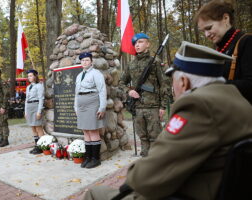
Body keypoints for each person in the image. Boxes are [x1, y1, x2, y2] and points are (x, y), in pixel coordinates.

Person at [83, 41, 252, 200]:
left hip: (181, 192)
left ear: (184, 82)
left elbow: (144, 178)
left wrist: (163, 106)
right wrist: (130, 91)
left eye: (174, 80)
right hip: (207, 185)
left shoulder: (197, 106)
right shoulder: (238, 100)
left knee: (95, 193)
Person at [119, 33, 170, 157]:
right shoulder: (131, 64)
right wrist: (129, 91)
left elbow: (164, 84)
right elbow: (121, 82)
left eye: (141, 42)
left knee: (155, 138)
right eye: (135, 43)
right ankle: (145, 161)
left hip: (153, 107)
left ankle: (157, 162)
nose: (137, 45)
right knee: (142, 136)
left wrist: (163, 106)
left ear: (148, 44)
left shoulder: (155, 62)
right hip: (137, 107)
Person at [195, 0, 252, 104]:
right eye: (203, 31)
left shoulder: (247, 41)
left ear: (226, 18)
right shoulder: (220, 49)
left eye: (209, 28)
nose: (206, 35)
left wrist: (215, 84)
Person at [74, 52, 107, 168]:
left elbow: (102, 90)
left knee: (93, 131)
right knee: (85, 131)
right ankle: (88, 157)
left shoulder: (96, 73)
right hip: (81, 105)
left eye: (87, 60)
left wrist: (102, 107)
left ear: (91, 62)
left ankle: (95, 158)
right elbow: (76, 93)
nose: (84, 62)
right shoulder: (79, 76)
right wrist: (76, 107)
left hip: (93, 103)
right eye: (83, 60)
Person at [25, 69, 45, 154]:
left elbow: (41, 99)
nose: (29, 77)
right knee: (32, 127)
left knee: (38, 127)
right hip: (29, 107)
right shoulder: (28, 87)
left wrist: (39, 111)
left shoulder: (39, 86)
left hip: (36, 106)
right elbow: (26, 100)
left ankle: (42, 146)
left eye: (31, 75)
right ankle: (36, 145)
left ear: (35, 76)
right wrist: (25, 111)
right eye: (28, 76)